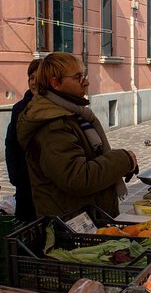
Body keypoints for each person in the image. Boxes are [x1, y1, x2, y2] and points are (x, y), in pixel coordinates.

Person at [16, 52, 138, 217]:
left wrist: (117, 167)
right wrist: (123, 159)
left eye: (84, 76)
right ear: (55, 83)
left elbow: (90, 157)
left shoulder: (74, 114)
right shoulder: (53, 125)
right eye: (77, 77)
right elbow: (78, 178)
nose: (85, 82)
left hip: (89, 217)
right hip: (73, 224)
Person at [4, 58, 41, 221]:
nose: (34, 82)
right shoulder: (19, 109)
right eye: (32, 77)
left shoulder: (58, 107)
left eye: (39, 77)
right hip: (25, 181)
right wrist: (16, 176)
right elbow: (11, 144)